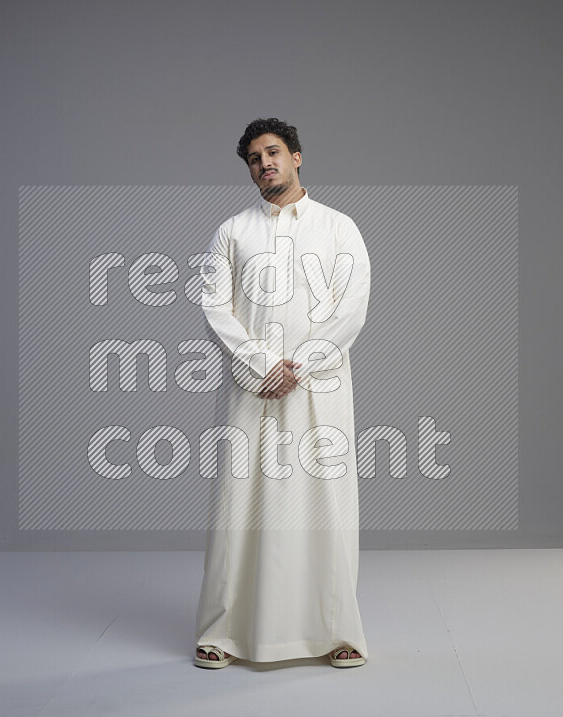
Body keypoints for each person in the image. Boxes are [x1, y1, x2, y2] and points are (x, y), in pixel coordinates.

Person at [194, 118, 371, 668]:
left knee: (326, 506)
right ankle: (222, 633)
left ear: (297, 157)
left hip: (321, 388)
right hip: (255, 388)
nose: (263, 163)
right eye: (253, 158)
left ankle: (338, 632)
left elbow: (352, 307)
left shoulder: (340, 228)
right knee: (240, 507)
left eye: (272, 152)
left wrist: (305, 365)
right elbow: (214, 306)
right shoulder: (231, 232)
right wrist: (264, 364)